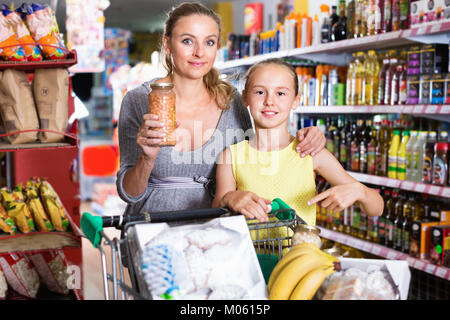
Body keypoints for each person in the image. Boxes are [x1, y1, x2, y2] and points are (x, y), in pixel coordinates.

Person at [116, 2, 326, 216]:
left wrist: (306, 138)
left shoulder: (230, 101)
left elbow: (257, 157)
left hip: (217, 234)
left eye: (209, 42)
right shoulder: (139, 100)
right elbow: (129, 193)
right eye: (187, 41)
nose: (199, 53)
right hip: (151, 233)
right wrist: (147, 159)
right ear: (167, 44)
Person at [212, 58, 384, 225]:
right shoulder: (231, 157)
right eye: (259, 92)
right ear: (245, 98)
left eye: (280, 93)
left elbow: (377, 208)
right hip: (249, 254)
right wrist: (228, 198)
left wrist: (360, 191)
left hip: (301, 253)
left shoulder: (310, 152)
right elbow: (216, 215)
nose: (269, 101)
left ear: (296, 101)